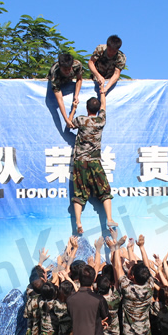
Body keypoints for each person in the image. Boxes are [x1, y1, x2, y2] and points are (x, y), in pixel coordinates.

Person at [67, 93, 118, 234]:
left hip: (80, 162)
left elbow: (69, 123)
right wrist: (102, 91)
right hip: (94, 161)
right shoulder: (101, 121)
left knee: (79, 192)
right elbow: (104, 106)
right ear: (97, 109)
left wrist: (73, 108)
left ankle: (78, 222)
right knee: (105, 191)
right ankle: (109, 218)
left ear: (87, 108)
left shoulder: (81, 120)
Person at [48, 52, 83, 128]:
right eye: (65, 69)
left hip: (69, 80)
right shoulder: (55, 74)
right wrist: (66, 119)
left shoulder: (77, 65)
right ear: (60, 66)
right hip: (59, 82)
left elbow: (79, 79)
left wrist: (76, 95)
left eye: (69, 69)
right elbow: (59, 99)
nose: (67, 71)